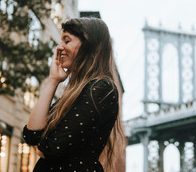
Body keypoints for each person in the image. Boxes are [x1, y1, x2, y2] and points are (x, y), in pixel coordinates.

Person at [22, 18, 125, 172]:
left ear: (88, 44)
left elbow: (50, 147)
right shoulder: (75, 93)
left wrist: (43, 143)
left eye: (67, 41)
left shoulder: (102, 88)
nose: (59, 48)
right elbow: (31, 135)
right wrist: (52, 81)